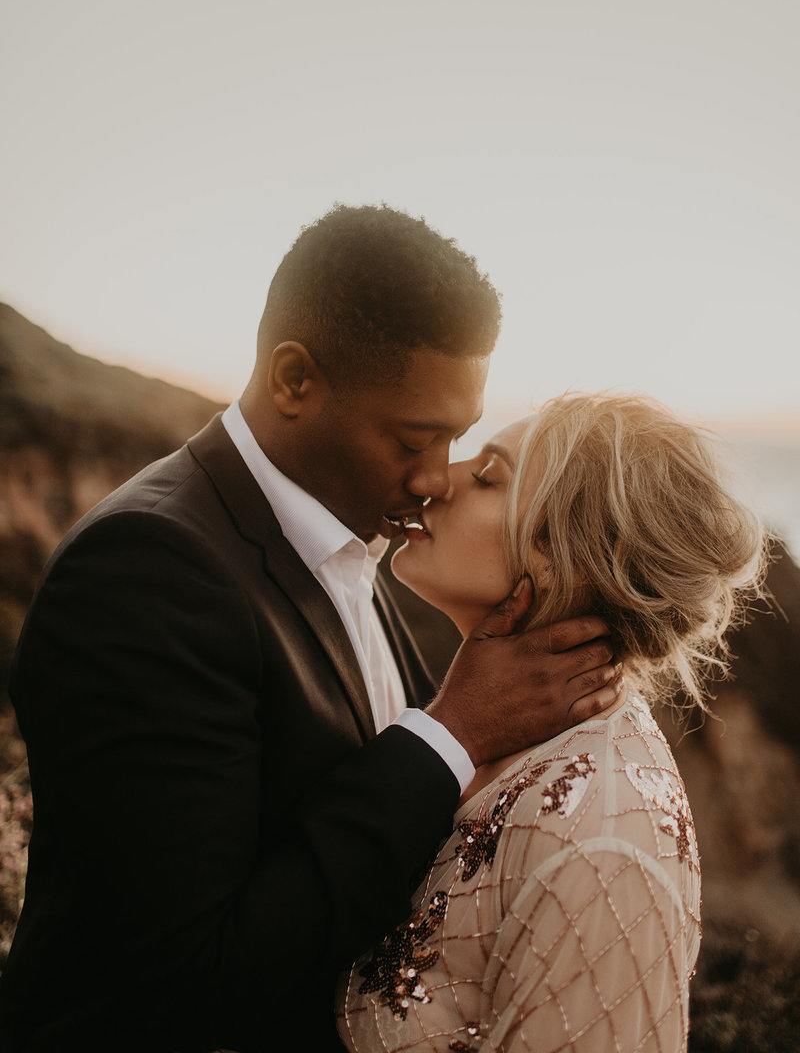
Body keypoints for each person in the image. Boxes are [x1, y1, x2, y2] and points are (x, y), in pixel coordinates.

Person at [0, 206, 621, 1053]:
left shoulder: (339, 536)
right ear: (295, 380)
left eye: (456, 439)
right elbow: (191, 980)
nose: (437, 478)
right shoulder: (146, 571)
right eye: (415, 437)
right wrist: (454, 732)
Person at [337, 392, 767, 1053]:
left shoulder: (605, 841)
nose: (437, 480)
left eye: (486, 478)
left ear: (568, 556)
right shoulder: (484, 736)